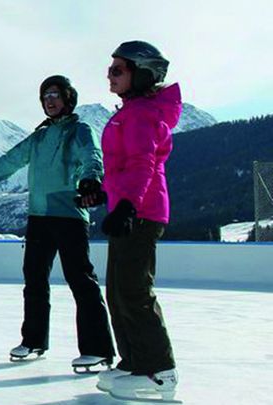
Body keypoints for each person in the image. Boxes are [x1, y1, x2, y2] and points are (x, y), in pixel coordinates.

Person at [0, 75, 116, 369]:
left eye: (55, 94)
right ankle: (33, 340)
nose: (49, 100)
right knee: (34, 279)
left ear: (68, 98)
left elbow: (92, 155)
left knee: (80, 279)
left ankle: (99, 348)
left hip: (68, 214)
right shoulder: (39, 137)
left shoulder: (80, 130)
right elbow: (9, 161)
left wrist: (91, 179)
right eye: (45, 96)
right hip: (38, 216)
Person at [93, 41, 180, 402]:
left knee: (133, 291)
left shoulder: (142, 114)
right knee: (117, 290)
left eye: (118, 70)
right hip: (129, 208)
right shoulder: (129, 112)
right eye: (109, 69)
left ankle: (160, 371)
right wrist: (100, 192)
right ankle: (133, 362)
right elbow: (122, 167)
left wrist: (127, 205)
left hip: (141, 212)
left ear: (141, 74)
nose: (109, 75)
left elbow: (143, 164)